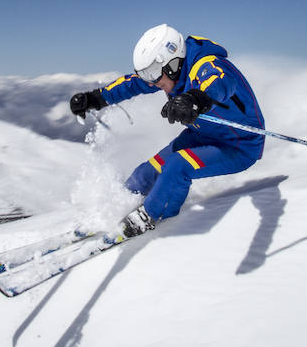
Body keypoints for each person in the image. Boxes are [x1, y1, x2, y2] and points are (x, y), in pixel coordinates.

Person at [69, 24, 265, 239]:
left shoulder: (206, 65)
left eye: (153, 73)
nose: (151, 81)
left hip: (239, 144)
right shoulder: (167, 75)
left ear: (173, 63)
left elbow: (220, 81)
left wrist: (196, 99)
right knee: (144, 174)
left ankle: (153, 218)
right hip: (202, 136)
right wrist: (94, 99)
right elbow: (132, 84)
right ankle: (113, 210)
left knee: (177, 166)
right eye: (146, 74)